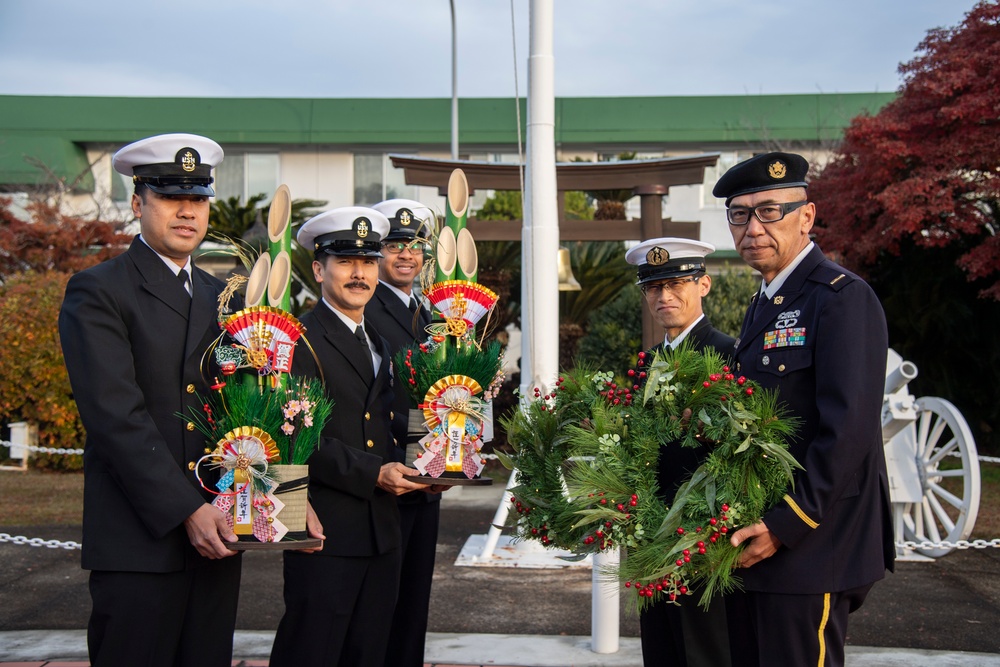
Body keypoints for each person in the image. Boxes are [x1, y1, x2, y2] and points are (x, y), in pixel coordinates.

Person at [58, 133, 242, 667]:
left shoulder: (224, 298)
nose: (188, 212)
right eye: (170, 197)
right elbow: (116, 417)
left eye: (199, 199)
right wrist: (187, 509)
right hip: (141, 540)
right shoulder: (99, 290)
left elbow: (248, 415)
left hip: (219, 532)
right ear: (138, 203)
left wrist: (280, 497)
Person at [713, 152, 894, 667]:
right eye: (740, 214)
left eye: (770, 210)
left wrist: (786, 523)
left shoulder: (839, 298)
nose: (753, 227)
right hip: (759, 540)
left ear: (807, 217)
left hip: (811, 545)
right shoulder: (764, 303)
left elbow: (848, 431)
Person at [269, 206, 435, 667]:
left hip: (382, 530)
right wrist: (373, 472)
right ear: (319, 269)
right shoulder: (297, 339)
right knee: (313, 648)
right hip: (324, 527)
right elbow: (294, 436)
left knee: (371, 651)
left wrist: (439, 457)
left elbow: (390, 421)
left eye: (366, 262)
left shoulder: (378, 341)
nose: (358, 274)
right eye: (345, 262)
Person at [624, 237, 734, 667]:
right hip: (649, 534)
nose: (664, 296)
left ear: (703, 284)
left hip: (704, 536)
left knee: (706, 650)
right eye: (653, 287)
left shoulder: (728, 354)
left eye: (676, 284)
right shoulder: (645, 365)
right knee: (661, 647)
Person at [365, 198, 440, 667]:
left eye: (415, 245)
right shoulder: (364, 308)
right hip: (386, 476)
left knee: (414, 607)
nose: (407, 255)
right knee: (379, 609)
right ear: (376, 253)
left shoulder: (433, 312)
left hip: (430, 477)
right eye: (395, 245)